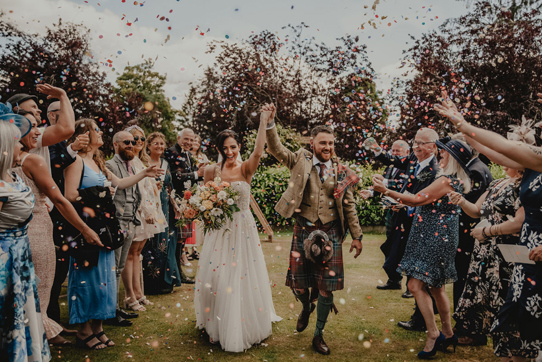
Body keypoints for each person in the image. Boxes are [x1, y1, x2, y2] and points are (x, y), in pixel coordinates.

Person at [436, 92, 542, 360]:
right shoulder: (536, 160)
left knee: (534, 329)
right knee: (516, 326)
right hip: (527, 254)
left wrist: (464, 125)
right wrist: (464, 129)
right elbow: (501, 150)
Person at [264, 104, 363, 355]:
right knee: (299, 285)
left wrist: (358, 236)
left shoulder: (342, 172)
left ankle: (318, 335)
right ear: (312, 143)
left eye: (331, 143)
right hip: (303, 229)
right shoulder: (299, 159)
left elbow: (349, 206)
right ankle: (306, 306)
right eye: (323, 143)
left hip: (330, 233)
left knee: (326, 286)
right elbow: (276, 149)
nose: (328, 148)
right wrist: (270, 123)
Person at [64, 119, 162, 349]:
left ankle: (98, 327)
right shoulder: (76, 161)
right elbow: (69, 195)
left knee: (104, 279)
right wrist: (98, 194)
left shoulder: (98, 162)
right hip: (87, 228)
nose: (101, 133)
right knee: (88, 279)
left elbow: (121, 183)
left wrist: (145, 173)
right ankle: (83, 331)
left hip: (105, 228)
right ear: (85, 135)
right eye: (96, 130)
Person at [372, 138, 472, 359]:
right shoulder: (455, 179)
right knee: (436, 287)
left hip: (433, 238)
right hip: (437, 235)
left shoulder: (446, 180)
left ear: (454, 158)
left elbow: (417, 199)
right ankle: (448, 332)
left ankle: (433, 333)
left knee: (415, 284)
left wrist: (385, 190)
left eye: (444, 153)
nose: (440, 155)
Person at [195, 105, 282, 352]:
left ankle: (239, 325)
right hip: (219, 230)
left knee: (240, 275)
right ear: (219, 149)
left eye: (233, 146)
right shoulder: (212, 170)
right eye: (225, 148)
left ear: (238, 147)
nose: (229, 151)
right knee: (216, 276)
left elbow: (259, 149)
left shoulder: (246, 168)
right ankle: (215, 325)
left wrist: (264, 120)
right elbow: (206, 198)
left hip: (242, 230)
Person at [14, 111, 101, 346]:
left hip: (13, 237)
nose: (36, 132)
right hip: (36, 234)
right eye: (30, 127)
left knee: (17, 297)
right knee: (38, 298)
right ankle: (33, 349)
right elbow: (61, 200)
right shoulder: (33, 161)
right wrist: (85, 229)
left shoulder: (9, 162)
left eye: (37, 126)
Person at [366, 128, 441, 326]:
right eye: (415, 142)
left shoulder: (435, 170)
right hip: (408, 222)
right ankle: (421, 315)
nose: (416, 146)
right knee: (408, 265)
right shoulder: (413, 162)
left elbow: (423, 199)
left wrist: (402, 201)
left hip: (423, 226)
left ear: (433, 146)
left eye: (421, 143)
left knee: (421, 273)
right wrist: (377, 150)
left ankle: (422, 318)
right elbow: (394, 164)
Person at [450, 160, 526, 353]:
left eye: (509, 159)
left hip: (506, 252)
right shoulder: (497, 183)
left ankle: (511, 348)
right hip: (485, 251)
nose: (503, 162)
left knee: (504, 300)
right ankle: (488, 340)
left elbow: (519, 223)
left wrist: (488, 232)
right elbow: (476, 211)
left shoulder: (525, 186)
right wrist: (461, 201)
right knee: (483, 297)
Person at [0, 111, 51, 362]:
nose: (21, 144)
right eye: (16, 141)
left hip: (21, 255)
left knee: (24, 311)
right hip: (5, 258)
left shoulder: (15, 175)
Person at [46, 100, 90, 331]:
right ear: (53, 117)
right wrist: (72, 149)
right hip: (50, 213)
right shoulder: (45, 139)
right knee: (51, 270)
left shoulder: (60, 141)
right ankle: (50, 320)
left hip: (64, 214)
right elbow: (51, 167)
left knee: (60, 269)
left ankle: (54, 320)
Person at [120, 125, 166, 309]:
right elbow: (133, 189)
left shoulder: (143, 161)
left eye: (141, 139)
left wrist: (155, 187)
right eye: (134, 138)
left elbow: (146, 187)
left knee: (137, 253)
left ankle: (139, 293)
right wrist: (145, 212)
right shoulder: (129, 162)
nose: (138, 142)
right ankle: (129, 296)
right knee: (130, 254)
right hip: (137, 212)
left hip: (149, 211)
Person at [360, 140, 410, 294]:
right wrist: (370, 192)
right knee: (388, 246)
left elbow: (404, 183)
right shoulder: (389, 167)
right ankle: (394, 279)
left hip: (406, 214)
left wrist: (386, 182)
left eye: (398, 151)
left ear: (407, 153)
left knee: (405, 248)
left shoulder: (410, 166)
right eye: (393, 150)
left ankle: (411, 286)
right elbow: (382, 187)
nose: (394, 154)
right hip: (391, 212)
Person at [142, 132, 181, 294]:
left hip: (165, 207)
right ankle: (152, 283)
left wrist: (175, 205)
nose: (159, 146)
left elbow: (169, 187)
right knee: (152, 243)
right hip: (151, 206)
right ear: (149, 145)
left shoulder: (165, 163)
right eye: (155, 143)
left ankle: (166, 281)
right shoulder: (144, 163)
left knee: (166, 243)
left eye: (161, 143)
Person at [164, 128, 205, 284]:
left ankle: (178, 273)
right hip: (174, 202)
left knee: (182, 240)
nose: (189, 142)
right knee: (175, 240)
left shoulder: (188, 154)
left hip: (186, 201)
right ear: (178, 138)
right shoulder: (171, 152)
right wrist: (196, 174)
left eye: (191, 139)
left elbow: (192, 174)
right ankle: (174, 274)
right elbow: (174, 176)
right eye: (186, 139)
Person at [8, 84, 76, 172]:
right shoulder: (27, 133)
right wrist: (62, 95)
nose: (39, 110)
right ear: (18, 109)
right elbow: (67, 129)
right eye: (33, 107)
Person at [185, 133, 209, 259]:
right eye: (194, 141)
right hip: (188, 189)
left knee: (197, 221)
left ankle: (194, 248)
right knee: (187, 219)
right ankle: (186, 249)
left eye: (198, 142)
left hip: (199, 188)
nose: (196, 143)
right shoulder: (185, 156)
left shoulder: (202, 157)